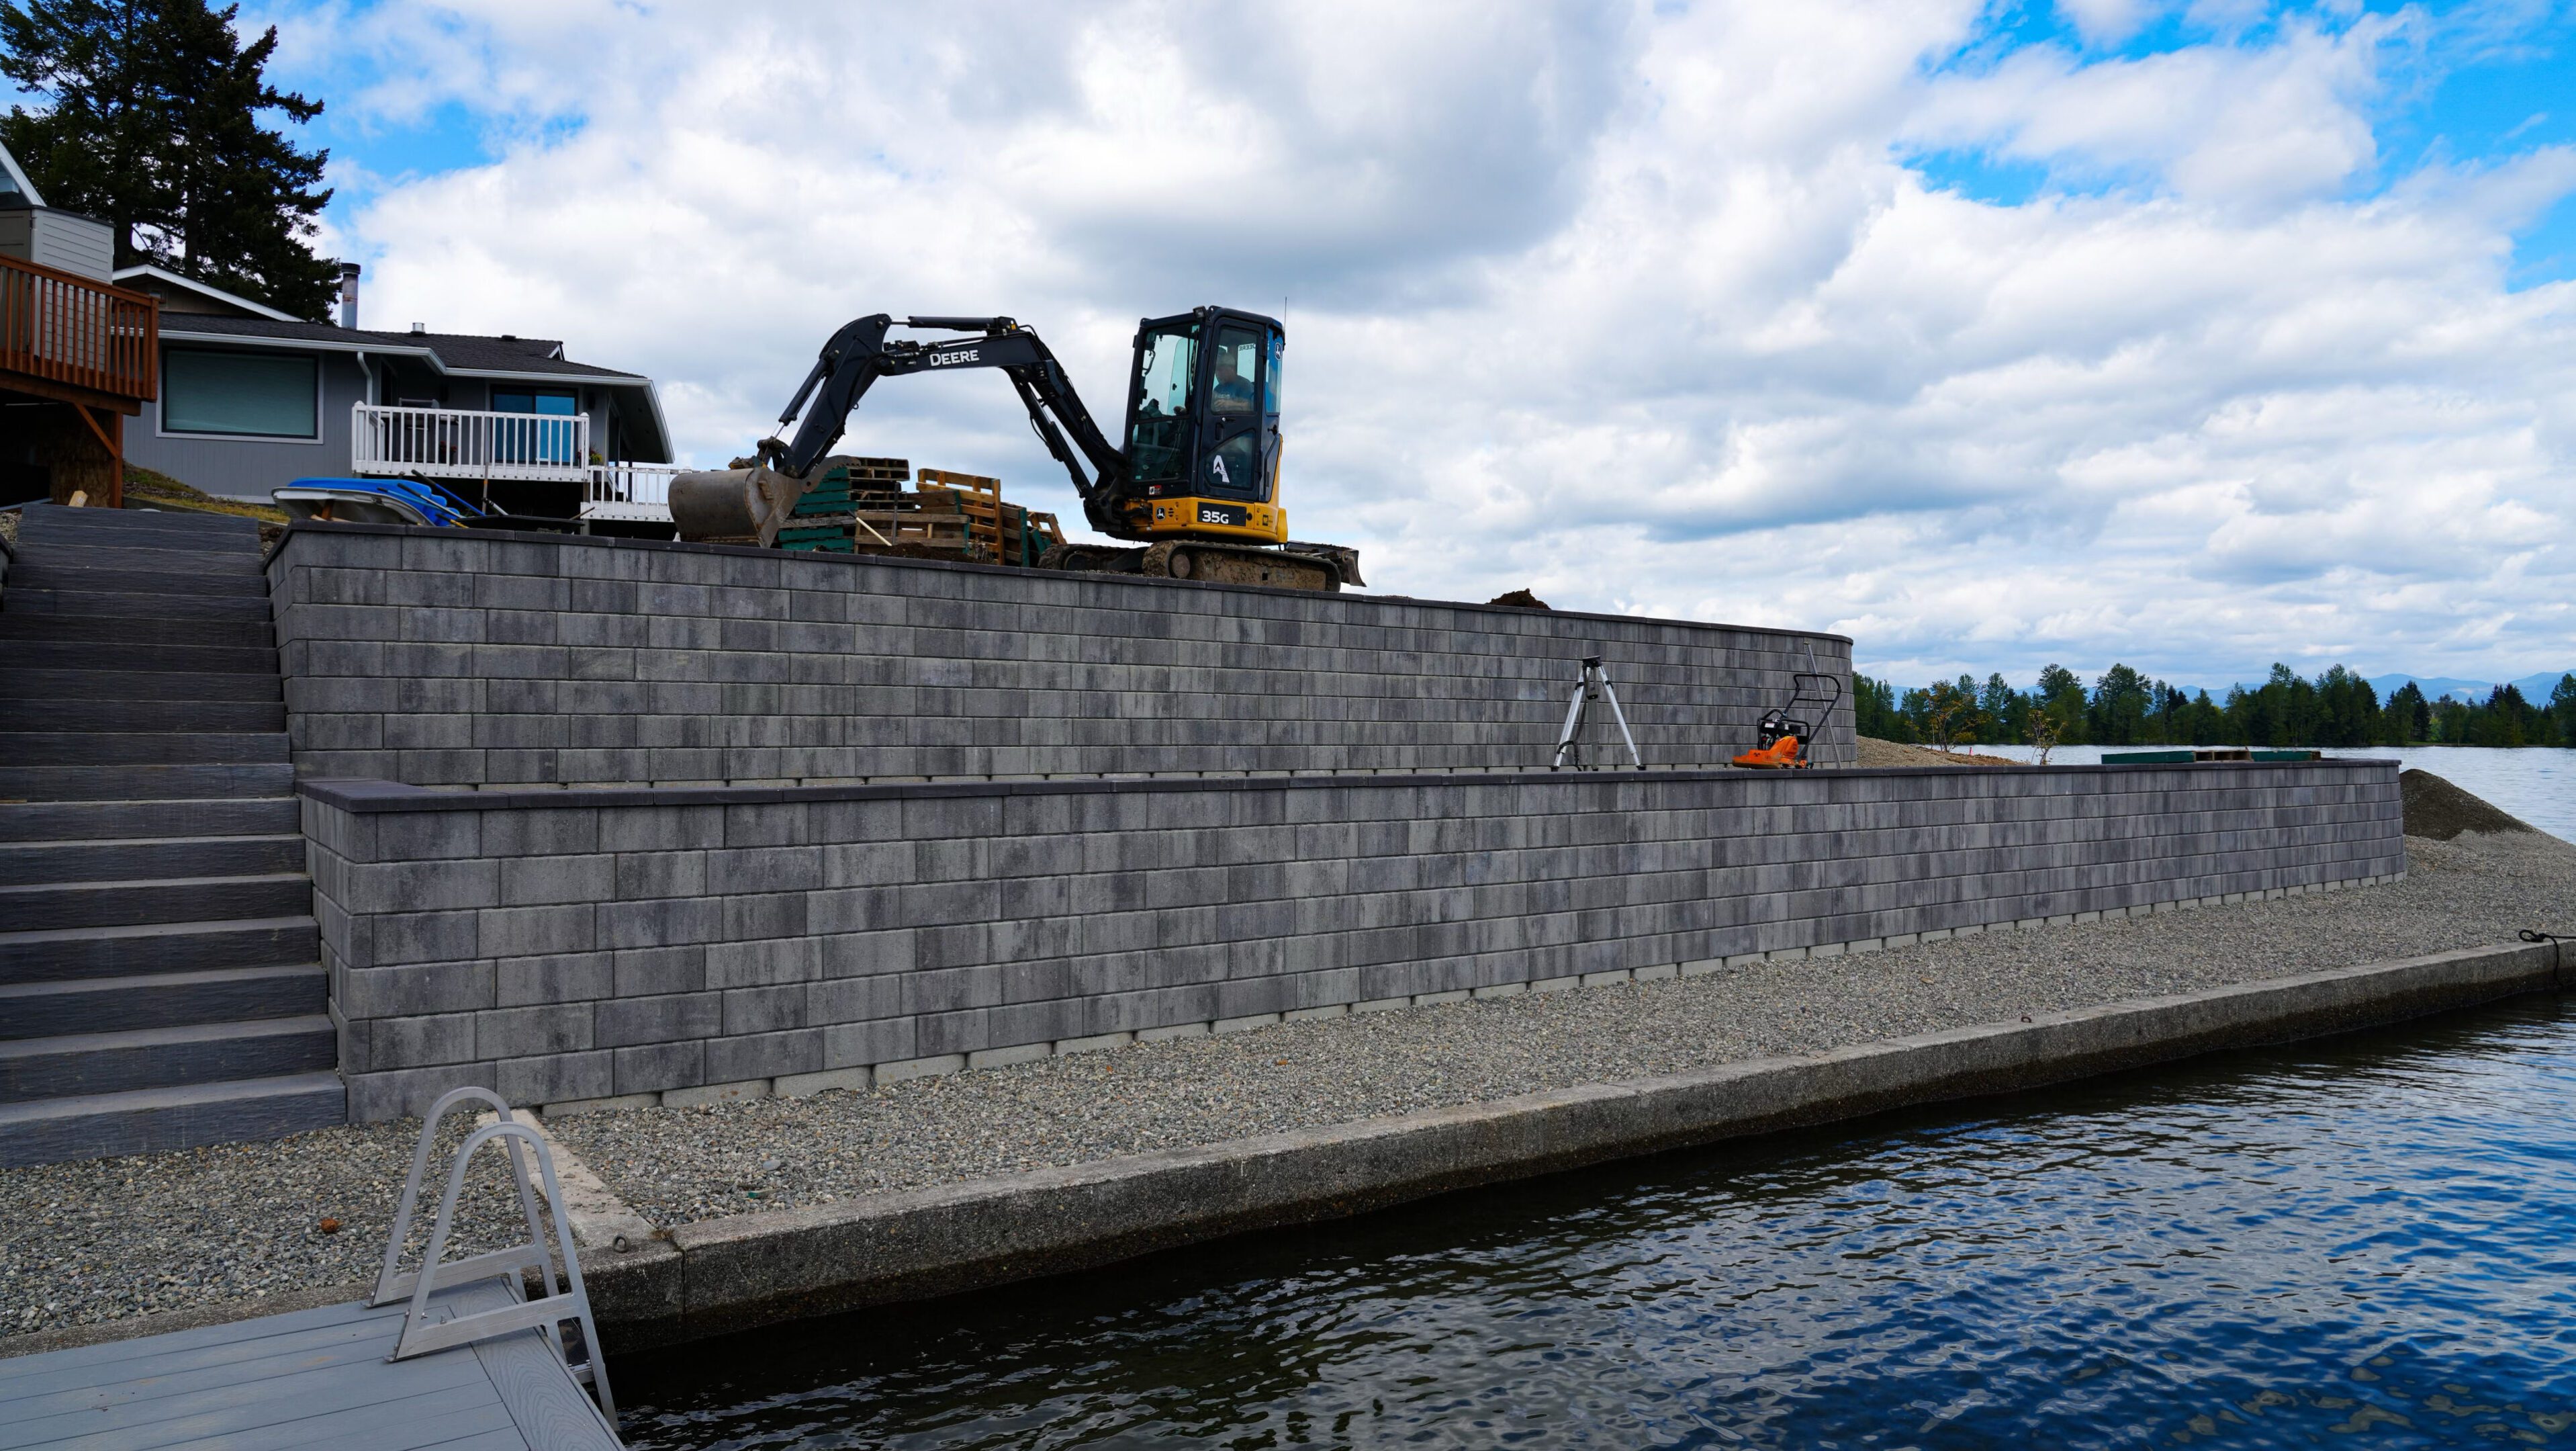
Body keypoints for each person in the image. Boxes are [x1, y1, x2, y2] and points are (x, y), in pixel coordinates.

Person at [1210, 343, 1256, 413]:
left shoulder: (1245, 386)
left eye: (1220, 370)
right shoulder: (1218, 389)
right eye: (1215, 370)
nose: (1217, 374)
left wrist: (1231, 404)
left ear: (1231, 368)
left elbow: (1252, 407)